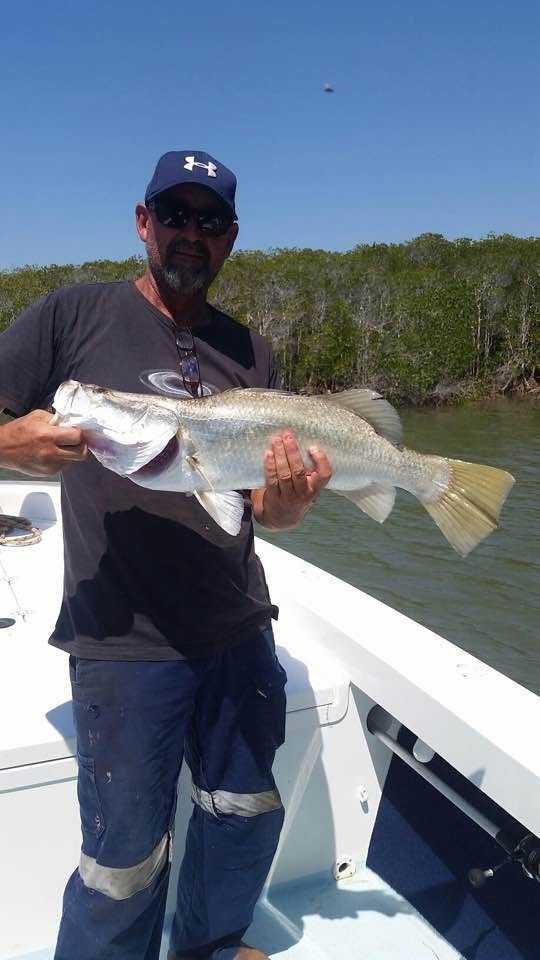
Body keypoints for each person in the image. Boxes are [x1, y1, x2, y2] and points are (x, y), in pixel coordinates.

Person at [0, 150, 332, 960]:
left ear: (231, 240)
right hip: (123, 640)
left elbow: (259, 512)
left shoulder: (252, 354)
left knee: (244, 812)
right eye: (175, 215)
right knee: (122, 861)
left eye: (210, 221)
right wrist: (10, 444)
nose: (192, 233)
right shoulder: (70, 317)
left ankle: (213, 948)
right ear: (143, 223)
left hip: (239, 628)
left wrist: (285, 506)